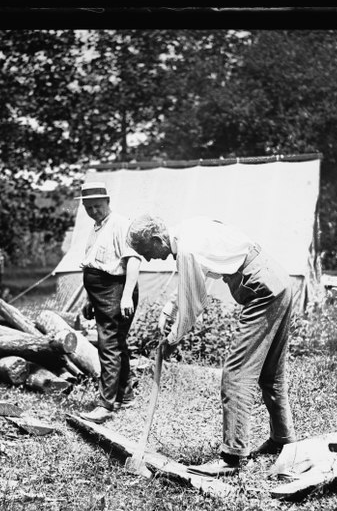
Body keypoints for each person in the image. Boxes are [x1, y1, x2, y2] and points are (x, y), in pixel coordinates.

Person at [127, 215, 296, 477]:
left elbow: (192, 302)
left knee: (236, 373)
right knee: (270, 373)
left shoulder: (186, 247)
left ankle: (232, 457)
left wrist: (172, 338)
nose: (149, 260)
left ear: (157, 239)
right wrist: (169, 310)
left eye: (146, 252)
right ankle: (282, 440)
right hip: (278, 280)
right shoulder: (186, 232)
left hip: (263, 289)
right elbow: (193, 280)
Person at [77, 182, 142, 423]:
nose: (94, 211)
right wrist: (88, 298)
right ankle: (126, 396)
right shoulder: (96, 228)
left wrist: (126, 295)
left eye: (98, 206)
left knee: (109, 345)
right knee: (117, 344)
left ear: (108, 202)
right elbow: (94, 263)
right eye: (89, 207)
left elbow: (133, 261)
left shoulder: (120, 224)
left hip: (116, 290)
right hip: (100, 293)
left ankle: (106, 404)